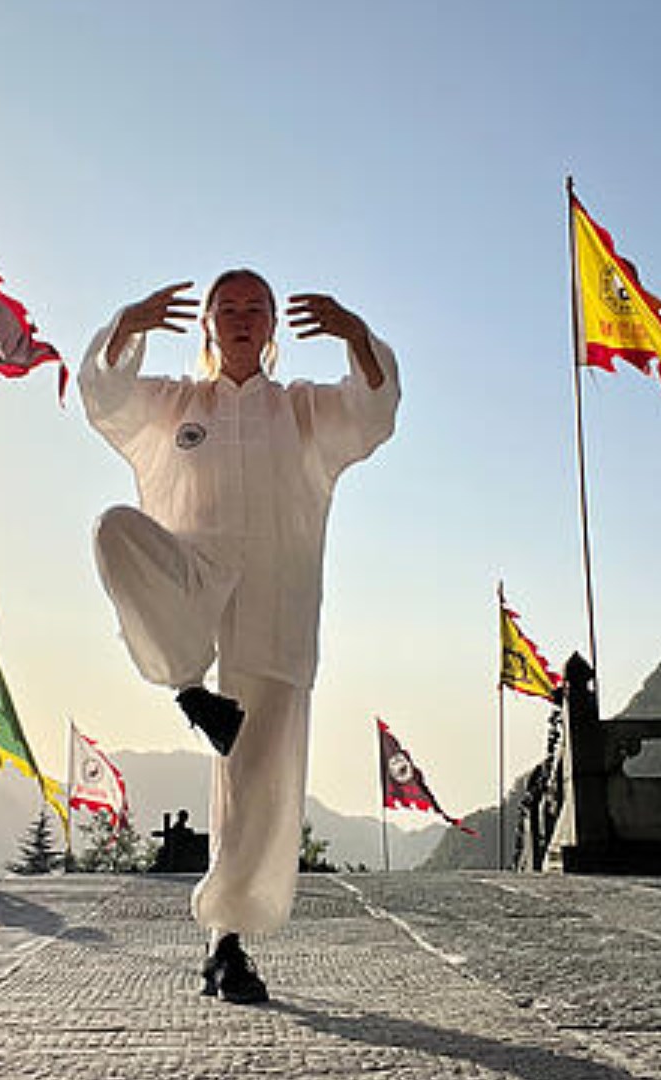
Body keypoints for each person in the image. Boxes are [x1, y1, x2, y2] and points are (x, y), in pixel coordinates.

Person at [79, 269, 399, 1004]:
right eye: (229, 307)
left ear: (274, 328)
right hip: (194, 577)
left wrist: (356, 337)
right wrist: (127, 324)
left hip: (277, 596)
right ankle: (188, 685)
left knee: (257, 783)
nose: (243, 317)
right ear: (208, 326)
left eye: (256, 307)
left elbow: (372, 413)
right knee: (113, 532)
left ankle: (225, 942)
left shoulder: (302, 410)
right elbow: (107, 399)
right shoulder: (177, 404)